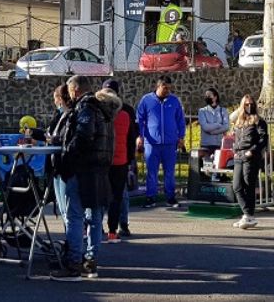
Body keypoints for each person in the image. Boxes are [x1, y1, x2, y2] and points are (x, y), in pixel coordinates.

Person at [50, 75, 120, 281]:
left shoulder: (86, 108)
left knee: (75, 217)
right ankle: (91, 262)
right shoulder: (104, 110)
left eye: (70, 91)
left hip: (83, 170)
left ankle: (73, 264)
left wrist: (66, 157)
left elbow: (83, 137)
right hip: (100, 170)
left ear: (75, 90)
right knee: (95, 217)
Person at [136, 76, 187, 208]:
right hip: (151, 143)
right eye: (165, 88)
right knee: (151, 172)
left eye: (169, 88)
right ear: (158, 86)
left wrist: (181, 136)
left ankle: (170, 197)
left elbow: (180, 120)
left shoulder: (174, 101)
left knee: (169, 172)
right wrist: (140, 136)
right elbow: (140, 120)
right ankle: (150, 197)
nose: (168, 91)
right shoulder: (146, 100)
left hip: (170, 144)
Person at [102, 79, 137, 243]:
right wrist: (130, 159)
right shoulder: (126, 112)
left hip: (102, 160)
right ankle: (113, 230)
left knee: (100, 196)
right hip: (120, 160)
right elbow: (131, 138)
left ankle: (96, 227)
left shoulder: (99, 112)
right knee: (118, 196)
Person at [231, 94, 268, 229]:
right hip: (239, 155)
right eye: (246, 104)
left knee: (248, 185)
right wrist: (234, 150)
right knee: (236, 186)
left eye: (251, 104)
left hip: (251, 156)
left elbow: (263, 139)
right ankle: (247, 214)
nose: (249, 106)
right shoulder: (239, 121)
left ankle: (248, 215)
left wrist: (252, 150)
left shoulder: (259, 121)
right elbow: (235, 137)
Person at [198, 88, 230, 182]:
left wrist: (212, 131)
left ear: (215, 97)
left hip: (219, 144)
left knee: (219, 168)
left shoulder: (223, 111)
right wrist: (218, 125)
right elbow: (205, 127)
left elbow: (226, 127)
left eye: (210, 96)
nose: (208, 98)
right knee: (209, 167)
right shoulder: (202, 111)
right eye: (206, 96)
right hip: (207, 144)